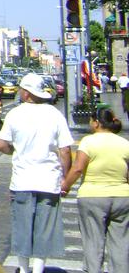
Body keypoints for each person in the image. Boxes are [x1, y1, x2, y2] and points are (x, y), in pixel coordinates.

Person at [0, 72, 73, 273]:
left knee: (22, 226)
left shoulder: (15, 114)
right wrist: (66, 177)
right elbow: (65, 150)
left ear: (25, 93)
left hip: (22, 180)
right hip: (49, 180)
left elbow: (2, 145)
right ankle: (38, 269)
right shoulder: (54, 114)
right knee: (44, 228)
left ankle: (23, 269)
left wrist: (16, 151)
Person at [61, 107, 129, 273]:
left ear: (97, 123)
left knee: (93, 242)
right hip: (122, 197)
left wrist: (66, 186)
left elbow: (78, 168)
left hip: (93, 196)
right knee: (121, 243)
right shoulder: (125, 143)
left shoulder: (88, 142)